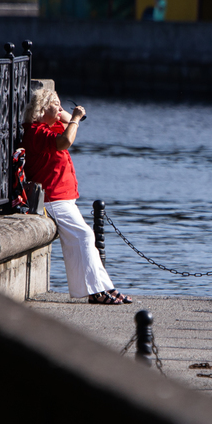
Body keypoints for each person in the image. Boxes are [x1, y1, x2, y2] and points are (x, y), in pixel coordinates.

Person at [22, 88, 132, 305]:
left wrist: (66, 111)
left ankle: (104, 287)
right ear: (42, 108)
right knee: (84, 237)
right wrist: (76, 119)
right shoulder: (36, 132)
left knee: (85, 238)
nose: (60, 107)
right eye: (55, 102)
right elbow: (66, 141)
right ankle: (96, 292)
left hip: (63, 197)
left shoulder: (50, 126)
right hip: (52, 199)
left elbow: (64, 121)